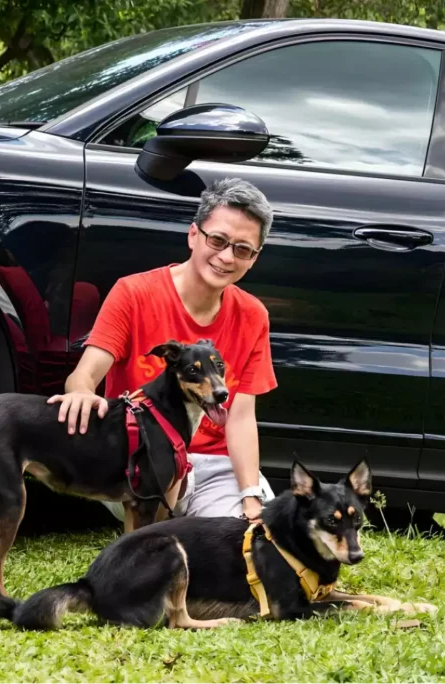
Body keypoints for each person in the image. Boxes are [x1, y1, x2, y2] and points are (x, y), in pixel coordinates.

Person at [48, 177, 277, 522]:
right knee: (165, 543)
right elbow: (87, 371)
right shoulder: (134, 293)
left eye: (242, 249)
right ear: (193, 235)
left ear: (253, 259)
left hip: (215, 467)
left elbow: (241, 416)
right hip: (142, 454)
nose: (227, 257)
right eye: (218, 240)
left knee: (252, 540)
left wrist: (250, 496)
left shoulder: (253, 315)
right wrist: (80, 392)